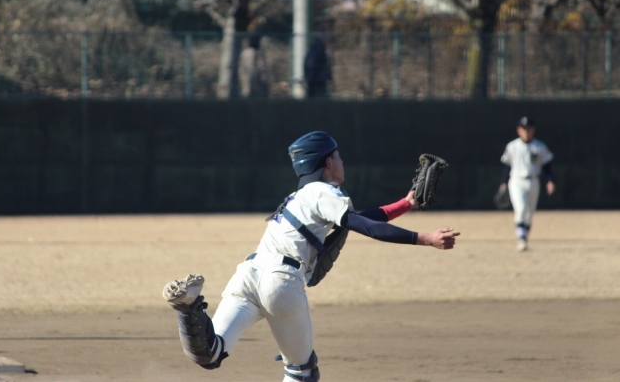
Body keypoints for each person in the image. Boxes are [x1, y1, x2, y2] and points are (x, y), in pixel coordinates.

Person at [162, 131, 460, 381]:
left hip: (248, 274)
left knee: (211, 352)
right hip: (281, 280)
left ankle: (188, 307)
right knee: (302, 371)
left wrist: (405, 203)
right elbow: (366, 226)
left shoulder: (299, 197)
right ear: (328, 162)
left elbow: (356, 220)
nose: (342, 162)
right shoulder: (324, 192)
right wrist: (425, 238)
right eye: (338, 156)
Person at [499, 116, 555, 251]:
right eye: (523, 128)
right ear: (518, 130)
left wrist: (550, 180)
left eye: (529, 128)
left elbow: (547, 166)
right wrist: (503, 182)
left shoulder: (539, 146)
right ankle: (521, 238)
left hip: (533, 180)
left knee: (529, 214)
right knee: (521, 209)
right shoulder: (512, 146)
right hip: (516, 181)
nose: (526, 131)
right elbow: (507, 166)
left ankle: (524, 237)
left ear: (533, 130)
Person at [238, 34, 270, 98]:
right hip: (257, 84)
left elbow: (240, 68)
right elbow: (261, 67)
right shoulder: (258, 53)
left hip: (246, 82)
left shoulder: (244, 53)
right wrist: (265, 79)